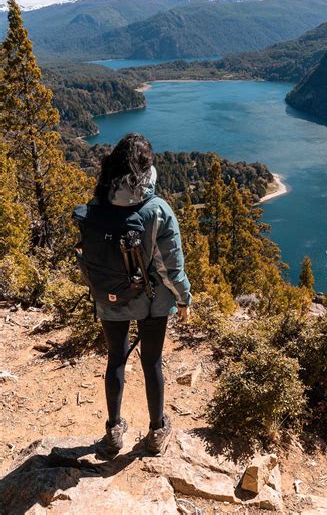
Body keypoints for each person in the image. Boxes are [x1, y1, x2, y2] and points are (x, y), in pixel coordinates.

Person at [89, 133, 192, 456]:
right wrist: (184, 298)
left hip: (109, 297)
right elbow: (170, 268)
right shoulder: (157, 209)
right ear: (147, 168)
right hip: (152, 302)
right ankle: (157, 430)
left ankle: (114, 430)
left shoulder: (97, 202)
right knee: (152, 362)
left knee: (115, 359)